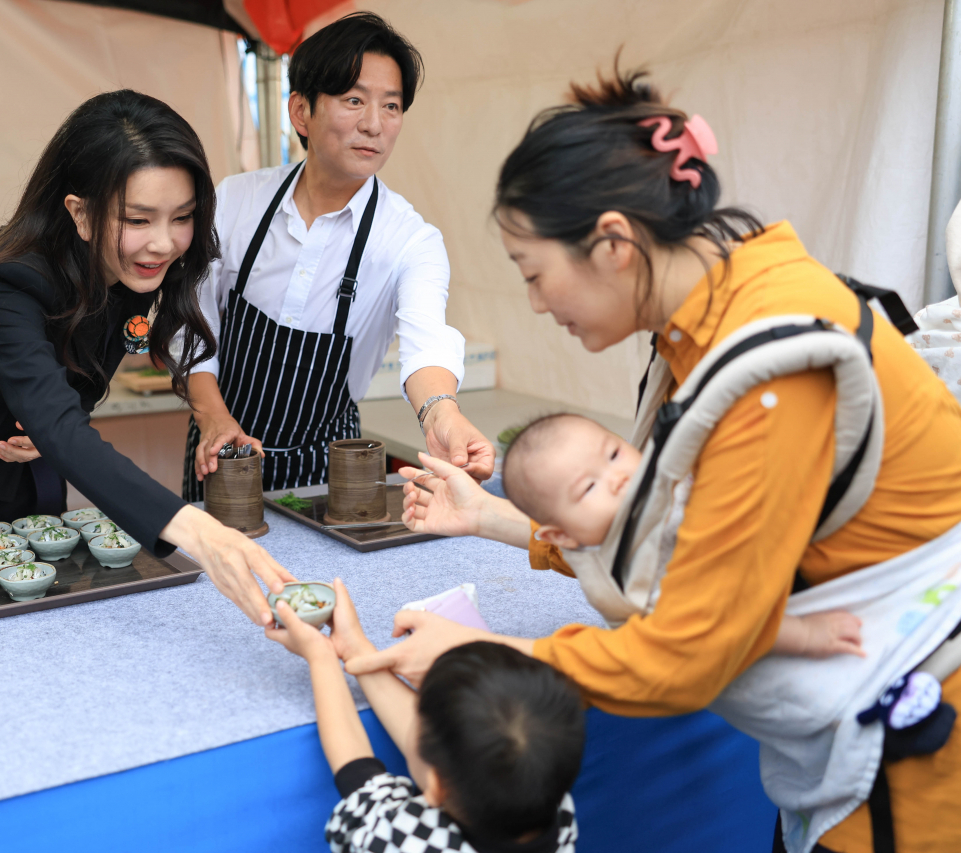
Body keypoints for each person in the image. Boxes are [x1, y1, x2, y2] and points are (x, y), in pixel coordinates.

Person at [346, 67, 961, 853]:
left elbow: (687, 652)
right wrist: (497, 517)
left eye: (535, 274)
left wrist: (485, 651)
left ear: (612, 243)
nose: (536, 304)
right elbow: (672, 539)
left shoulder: (770, 370)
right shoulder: (720, 315)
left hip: (909, 774)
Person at [0, 90, 293, 627]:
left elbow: (63, 396)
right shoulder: (9, 283)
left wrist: (50, 427)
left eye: (183, 217)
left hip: (33, 477)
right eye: (139, 219)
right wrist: (201, 533)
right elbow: (55, 415)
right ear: (79, 212)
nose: (164, 244)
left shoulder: (132, 272)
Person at [179, 13, 494, 500]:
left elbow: (426, 341)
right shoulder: (237, 201)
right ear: (301, 111)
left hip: (332, 466)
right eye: (353, 100)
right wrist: (213, 418)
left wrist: (444, 414)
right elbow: (190, 321)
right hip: (223, 453)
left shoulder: (410, 240)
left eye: (391, 106)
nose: (374, 124)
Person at [503, 413, 864, 659]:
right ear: (562, 535)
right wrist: (806, 635)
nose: (619, 476)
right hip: (752, 648)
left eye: (614, 453)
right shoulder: (632, 578)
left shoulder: (656, 484)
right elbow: (722, 625)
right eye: (590, 486)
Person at [267, 578, 581, 853]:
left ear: (435, 785)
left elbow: (355, 767)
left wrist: (319, 656)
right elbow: (450, 740)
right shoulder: (555, 807)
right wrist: (355, 648)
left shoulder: (404, 839)